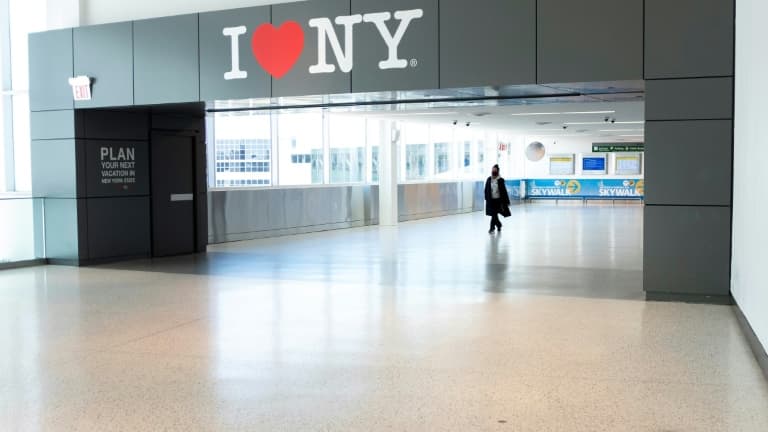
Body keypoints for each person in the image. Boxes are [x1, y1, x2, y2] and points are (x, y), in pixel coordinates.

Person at [484, 164, 510, 234]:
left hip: (498, 200)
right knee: (494, 214)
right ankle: (498, 225)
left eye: (494, 170)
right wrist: (486, 197)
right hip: (491, 200)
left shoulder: (500, 180)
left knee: (494, 214)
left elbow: (504, 191)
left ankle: (493, 228)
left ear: (497, 171)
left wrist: (506, 201)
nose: (493, 171)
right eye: (492, 170)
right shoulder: (489, 179)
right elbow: (486, 189)